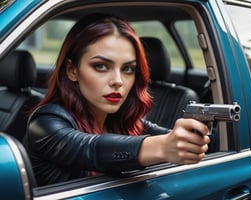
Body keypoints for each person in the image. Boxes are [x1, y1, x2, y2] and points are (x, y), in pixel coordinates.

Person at [23, 13, 210, 186]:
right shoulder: (45, 124)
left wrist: (194, 138)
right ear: (72, 70)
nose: (118, 81)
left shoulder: (123, 121)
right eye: (101, 66)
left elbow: (175, 137)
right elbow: (92, 149)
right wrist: (163, 146)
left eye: (128, 69)